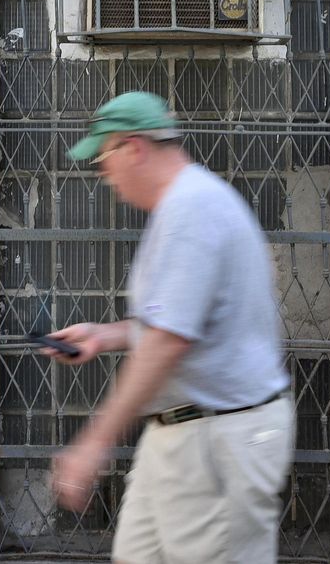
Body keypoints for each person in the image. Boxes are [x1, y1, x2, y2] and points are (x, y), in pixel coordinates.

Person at [44, 91, 293, 563]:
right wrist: (104, 335)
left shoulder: (191, 211)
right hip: (180, 437)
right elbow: (177, 322)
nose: (103, 173)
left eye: (103, 157)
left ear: (133, 148)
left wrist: (93, 444)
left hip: (216, 442)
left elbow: (167, 343)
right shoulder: (183, 207)